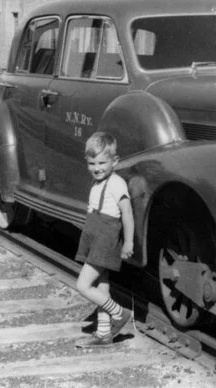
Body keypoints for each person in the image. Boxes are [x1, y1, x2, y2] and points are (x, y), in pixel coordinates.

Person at [75, 131, 135, 347]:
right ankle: (103, 333)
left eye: (102, 162)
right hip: (95, 236)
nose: (97, 168)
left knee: (83, 285)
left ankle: (119, 313)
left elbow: (126, 213)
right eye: (92, 163)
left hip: (106, 240)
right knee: (102, 285)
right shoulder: (97, 182)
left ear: (114, 161)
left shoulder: (117, 183)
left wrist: (128, 241)